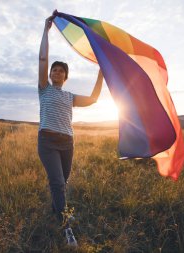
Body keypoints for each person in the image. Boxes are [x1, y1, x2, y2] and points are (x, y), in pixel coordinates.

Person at [38, 13, 103, 247]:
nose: (56, 72)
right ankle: (66, 228)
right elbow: (43, 58)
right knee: (57, 183)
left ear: (65, 77)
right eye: (53, 70)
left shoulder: (70, 96)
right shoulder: (43, 89)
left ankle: (56, 209)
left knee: (62, 183)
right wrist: (46, 32)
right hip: (47, 142)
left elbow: (95, 98)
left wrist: (102, 72)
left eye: (60, 71)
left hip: (67, 143)